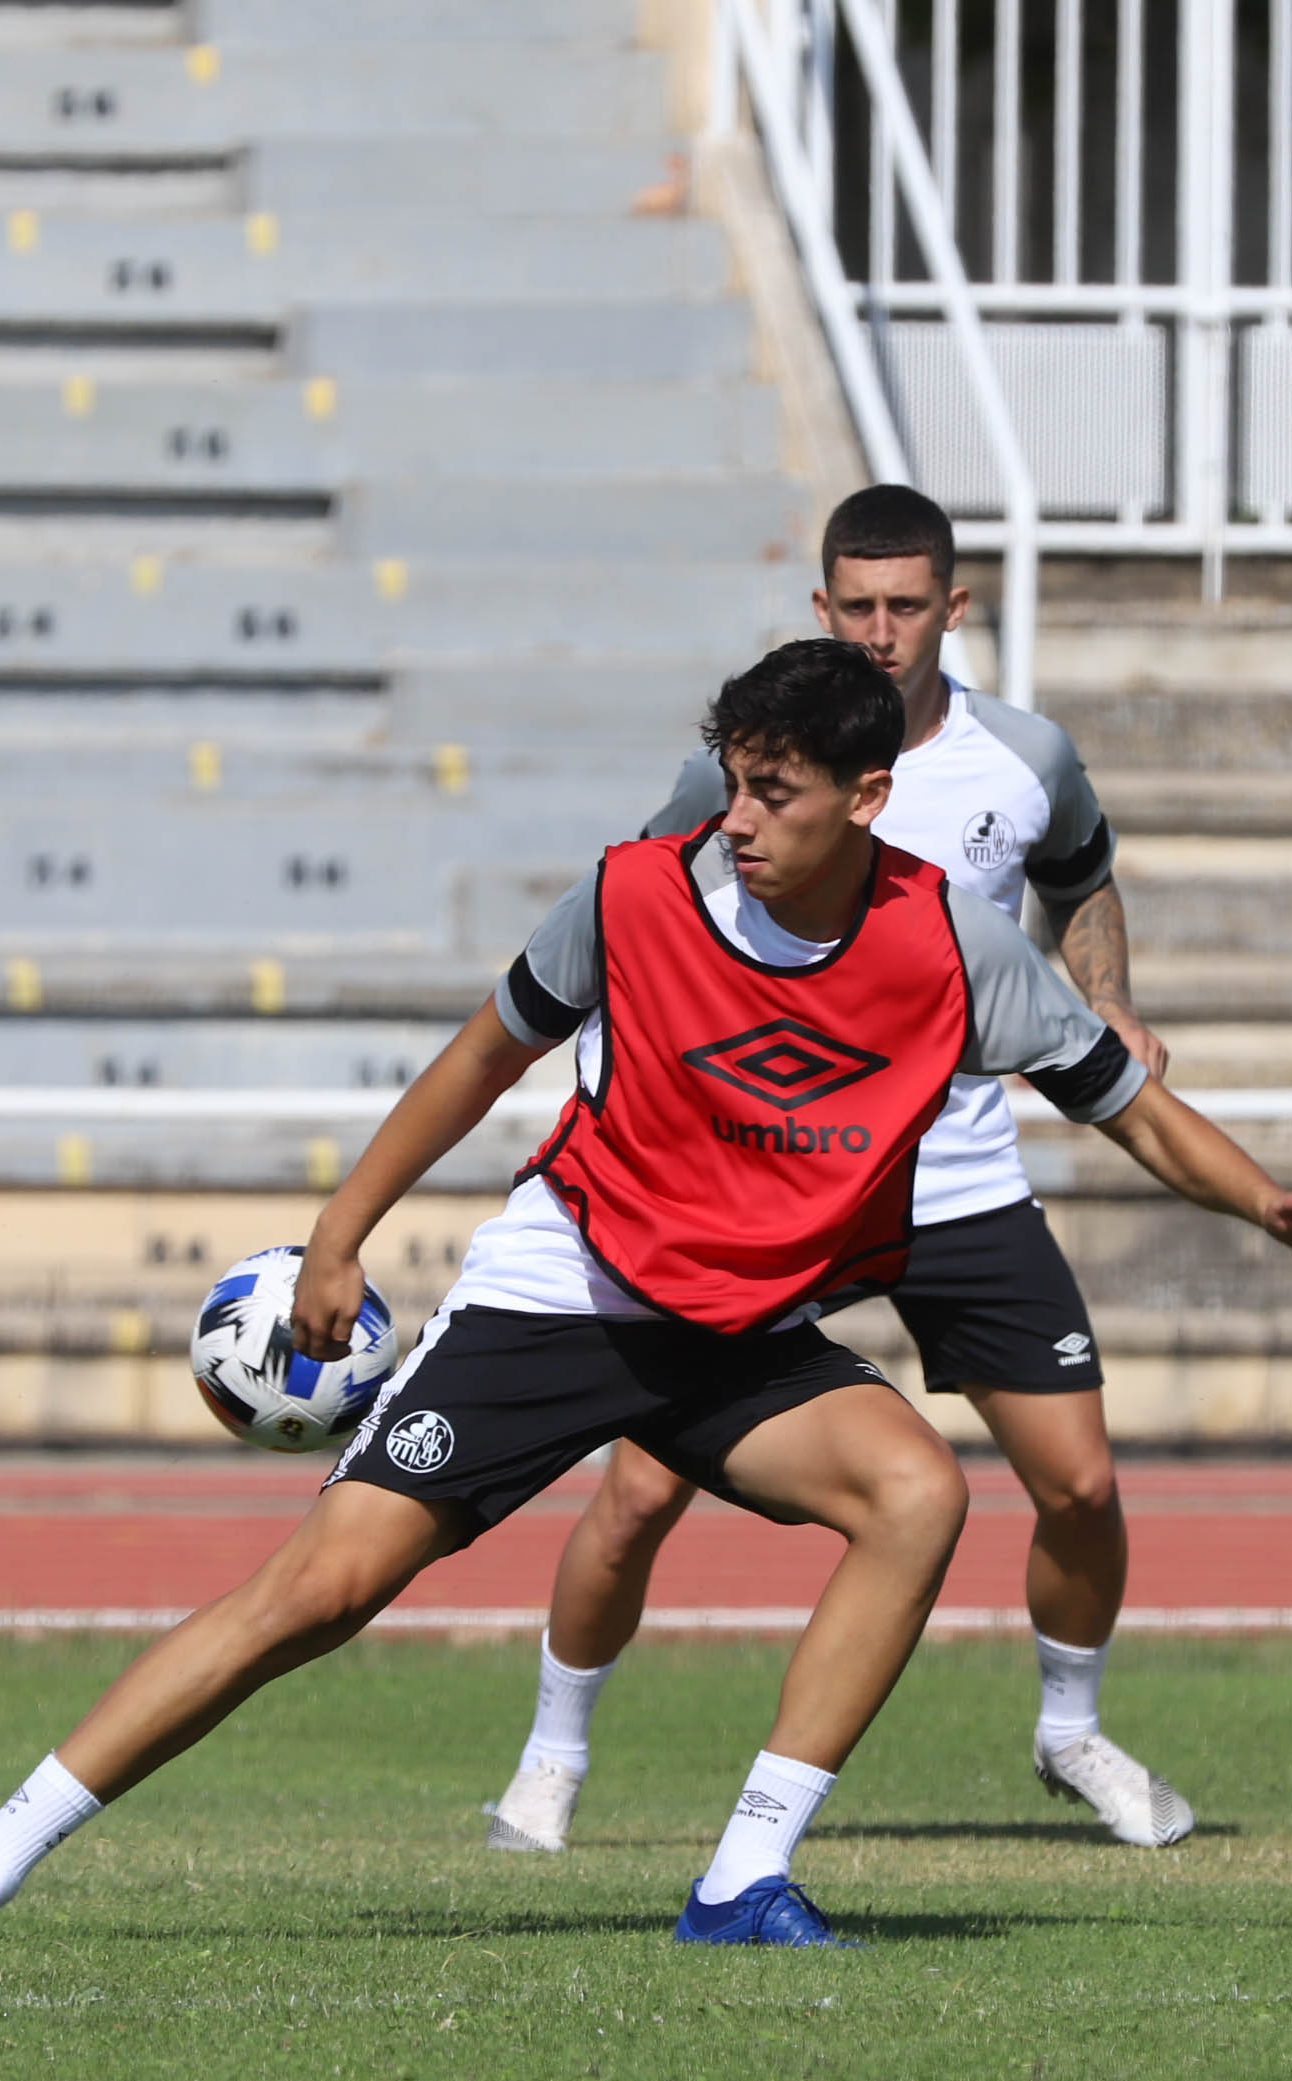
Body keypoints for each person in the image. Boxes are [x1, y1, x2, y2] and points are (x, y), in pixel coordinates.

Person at [0, 638, 1292, 1948]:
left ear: (869, 799)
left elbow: (1129, 1105)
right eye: (734, 780)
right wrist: (340, 1231)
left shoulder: (958, 948)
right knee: (321, 1592)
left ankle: (744, 1876)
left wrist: (1266, 1201)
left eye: (777, 792)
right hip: (564, 1288)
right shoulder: (635, 898)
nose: (742, 818)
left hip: (737, 1331)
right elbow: (478, 1059)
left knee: (917, 1494)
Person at [486, 484, 1208, 1856]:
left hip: (953, 1180)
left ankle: (1069, 1729)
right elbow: (646, 914)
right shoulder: (751, 764)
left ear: (956, 606)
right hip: (772, 1177)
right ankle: (551, 1754)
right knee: (640, 1488)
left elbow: (1085, 876)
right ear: (823, 607)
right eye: (857, 606)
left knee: (1082, 1484)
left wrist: (1104, 994)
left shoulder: (1026, 756)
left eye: (908, 604)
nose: (882, 631)